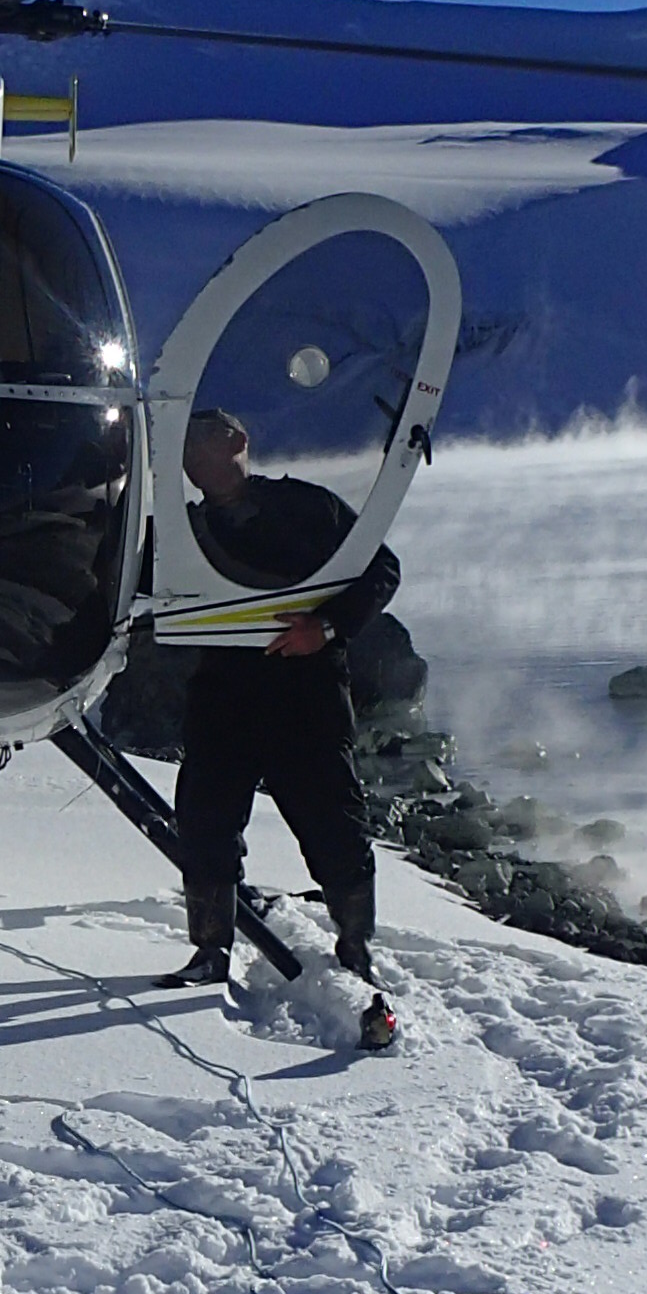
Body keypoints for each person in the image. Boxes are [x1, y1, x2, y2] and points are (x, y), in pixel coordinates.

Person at [166, 405, 401, 1047]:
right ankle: (209, 953)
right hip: (224, 696)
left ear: (237, 441)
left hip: (307, 693)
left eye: (198, 443)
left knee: (333, 819)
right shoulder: (182, 529)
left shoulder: (309, 507)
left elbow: (382, 569)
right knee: (206, 817)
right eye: (181, 448)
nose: (189, 458)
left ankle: (355, 947)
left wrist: (323, 628)